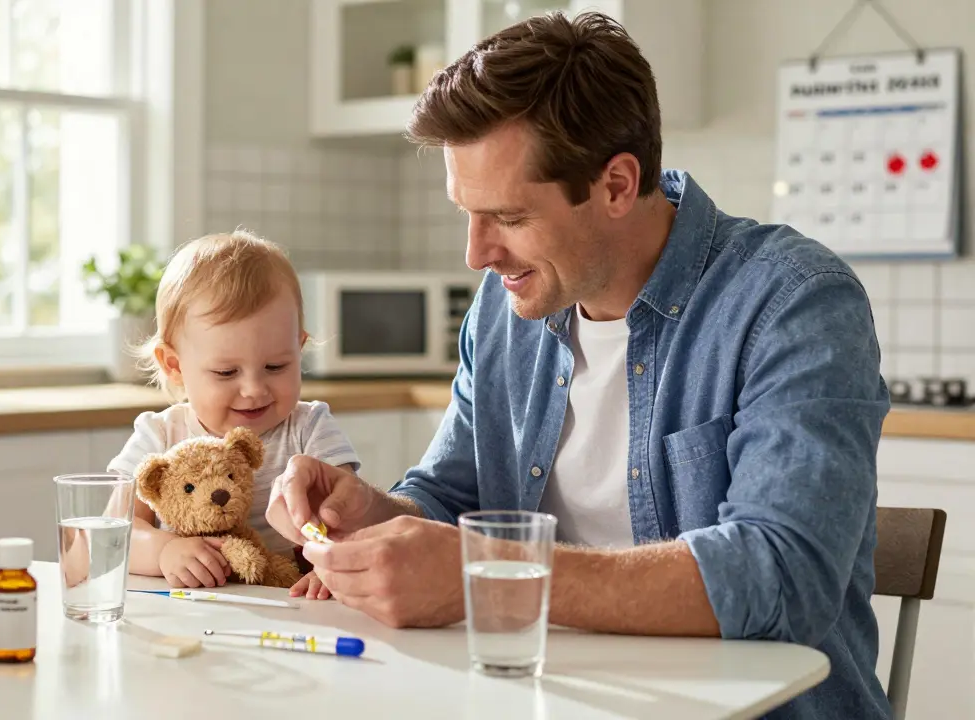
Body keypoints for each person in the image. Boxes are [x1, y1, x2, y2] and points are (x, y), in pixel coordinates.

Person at [266, 11, 890, 720]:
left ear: (617, 186)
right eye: (466, 213)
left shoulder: (792, 301)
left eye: (509, 216)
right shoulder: (508, 307)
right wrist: (369, 513)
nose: (477, 253)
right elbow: (449, 500)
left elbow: (783, 576)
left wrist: (486, 576)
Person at [101, 229, 360, 600]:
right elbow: (110, 535)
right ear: (174, 366)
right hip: (188, 614)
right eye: (226, 373)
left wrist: (332, 565)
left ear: (298, 348)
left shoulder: (310, 428)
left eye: (276, 366)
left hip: (291, 606)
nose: (254, 389)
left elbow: (349, 519)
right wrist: (164, 551)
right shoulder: (160, 435)